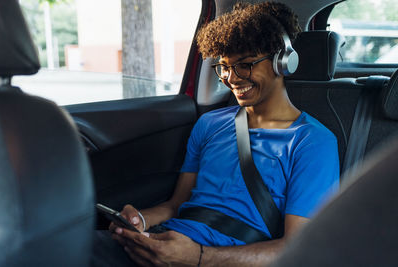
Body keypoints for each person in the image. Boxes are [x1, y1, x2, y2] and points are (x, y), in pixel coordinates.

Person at [91, 2, 339, 266]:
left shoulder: (312, 142)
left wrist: (198, 258)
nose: (232, 78)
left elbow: (299, 249)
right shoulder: (209, 124)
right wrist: (139, 220)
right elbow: (176, 205)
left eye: (245, 65)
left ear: (282, 61)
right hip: (167, 243)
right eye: (224, 67)